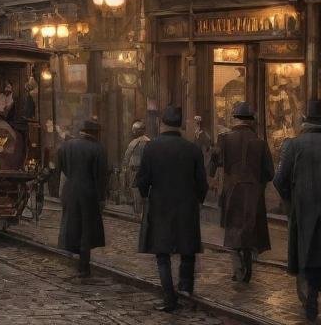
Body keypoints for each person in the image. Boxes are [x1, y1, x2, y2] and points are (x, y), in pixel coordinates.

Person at [136, 105, 208, 313]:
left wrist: (145, 196)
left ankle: (170, 299)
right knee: (187, 251)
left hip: (160, 206)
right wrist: (197, 200)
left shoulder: (152, 148)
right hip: (187, 207)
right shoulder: (192, 149)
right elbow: (201, 183)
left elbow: (143, 180)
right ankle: (185, 289)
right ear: (181, 125)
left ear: (161, 123)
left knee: (162, 254)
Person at [209, 102, 273, 284]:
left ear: (235, 119)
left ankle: (239, 270)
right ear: (251, 121)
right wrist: (258, 184)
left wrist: (212, 179)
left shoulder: (224, 139)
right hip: (253, 193)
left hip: (232, 191)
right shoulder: (260, 143)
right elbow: (269, 173)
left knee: (233, 231)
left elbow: (214, 161)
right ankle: (246, 269)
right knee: (249, 231)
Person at [274, 97, 321, 322]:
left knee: (307, 254)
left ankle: (310, 300)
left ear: (305, 120)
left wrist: (291, 201)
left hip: (304, 213)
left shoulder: (293, 144)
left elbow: (279, 179)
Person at [57, 119, 108, 278]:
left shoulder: (67, 145)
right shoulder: (98, 148)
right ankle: (84, 267)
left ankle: (75, 258)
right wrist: (101, 198)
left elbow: (61, 167)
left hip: (71, 190)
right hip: (89, 192)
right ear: (95, 133)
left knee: (72, 225)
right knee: (86, 229)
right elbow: (101, 176)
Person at [121, 121, 151, 217]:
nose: (132, 132)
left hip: (137, 171)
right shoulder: (147, 141)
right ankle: (140, 211)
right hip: (140, 171)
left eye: (134, 130)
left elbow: (128, 158)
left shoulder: (140, 142)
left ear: (138, 131)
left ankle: (138, 212)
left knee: (136, 190)